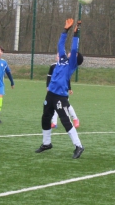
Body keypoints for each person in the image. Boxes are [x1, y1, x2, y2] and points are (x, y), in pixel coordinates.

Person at [35, 18, 84, 159]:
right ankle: (46, 143)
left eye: (73, 54)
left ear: (75, 59)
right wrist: (65, 31)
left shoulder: (71, 65)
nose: (70, 53)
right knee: (45, 117)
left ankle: (79, 146)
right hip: (50, 94)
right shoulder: (62, 59)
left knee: (64, 120)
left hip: (60, 96)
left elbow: (74, 48)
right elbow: (60, 45)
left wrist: (76, 33)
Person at [47, 54, 80, 129]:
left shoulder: (66, 66)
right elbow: (50, 78)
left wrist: (69, 88)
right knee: (55, 106)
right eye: (58, 56)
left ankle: (75, 118)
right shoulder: (53, 66)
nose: (59, 58)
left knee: (67, 106)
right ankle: (54, 123)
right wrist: (48, 87)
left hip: (63, 91)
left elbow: (67, 79)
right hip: (55, 90)